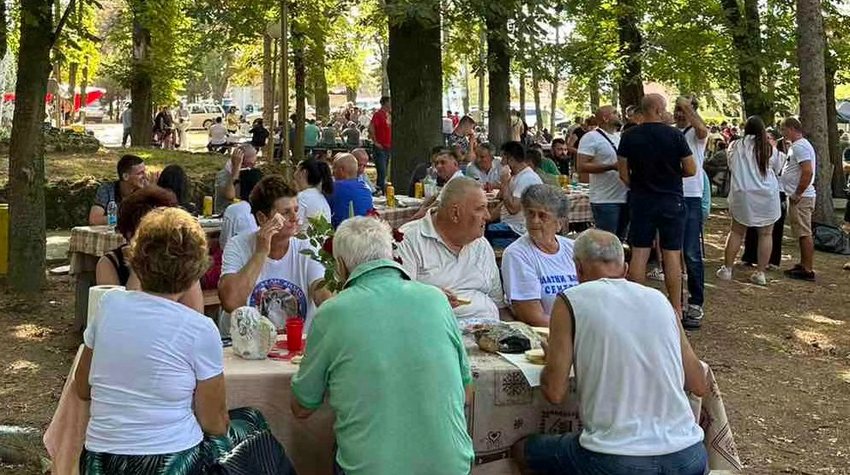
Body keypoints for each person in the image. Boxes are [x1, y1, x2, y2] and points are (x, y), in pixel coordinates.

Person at [77, 207, 285, 473]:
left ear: (138, 258)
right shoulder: (198, 329)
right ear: (194, 269)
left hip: (100, 460)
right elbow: (214, 422)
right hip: (170, 461)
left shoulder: (109, 305)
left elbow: (83, 388)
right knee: (253, 427)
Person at [513, 229, 708, 475]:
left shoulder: (571, 299)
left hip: (616, 459)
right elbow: (699, 384)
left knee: (523, 450)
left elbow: (554, 392)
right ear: (625, 269)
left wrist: (553, 359)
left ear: (578, 270)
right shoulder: (659, 300)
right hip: (688, 455)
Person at [291, 217, 474, 475]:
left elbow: (302, 406)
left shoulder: (333, 312)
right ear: (390, 254)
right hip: (450, 467)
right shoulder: (436, 299)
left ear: (341, 266)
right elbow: (467, 392)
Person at [617, 94, 697, 316]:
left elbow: (623, 174)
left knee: (639, 253)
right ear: (659, 110)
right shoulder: (675, 135)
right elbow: (691, 169)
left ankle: (636, 308)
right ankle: (676, 307)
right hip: (671, 199)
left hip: (642, 200)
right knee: (672, 253)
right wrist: (671, 175)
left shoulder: (629, 136)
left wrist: (641, 182)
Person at [219, 175, 331, 331]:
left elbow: (323, 295)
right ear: (262, 218)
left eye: (296, 210)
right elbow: (231, 302)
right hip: (243, 346)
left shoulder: (306, 247)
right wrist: (261, 252)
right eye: (286, 212)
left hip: (293, 349)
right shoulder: (238, 245)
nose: (295, 218)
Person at [398, 177, 507, 329]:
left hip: (490, 335)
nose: (488, 216)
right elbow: (397, 303)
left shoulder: (481, 245)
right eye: (480, 208)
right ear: (455, 213)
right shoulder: (408, 239)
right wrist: (429, 298)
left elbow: (499, 305)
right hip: (438, 336)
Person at [95, 185, 203, 314]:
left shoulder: (179, 262)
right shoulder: (109, 263)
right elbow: (118, 315)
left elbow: (195, 313)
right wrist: (138, 260)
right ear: (130, 234)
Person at [717, 116, 781, 287]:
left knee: (737, 231)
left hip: (743, 193)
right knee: (766, 234)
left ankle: (727, 269)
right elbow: (776, 168)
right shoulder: (768, 148)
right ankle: (760, 272)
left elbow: (731, 164)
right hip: (767, 194)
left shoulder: (735, 145)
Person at [501, 185, 578, 327]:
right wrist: (576, 331)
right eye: (530, 214)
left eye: (543, 216)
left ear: (559, 223)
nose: (535, 221)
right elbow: (533, 317)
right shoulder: (517, 254)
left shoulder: (573, 248)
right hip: (548, 334)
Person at [673, 96, 709, 328]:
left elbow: (703, 129)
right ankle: (675, 302)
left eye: (682, 111)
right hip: (670, 193)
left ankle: (696, 302)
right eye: (676, 110)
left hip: (691, 196)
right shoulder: (670, 132)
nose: (678, 114)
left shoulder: (696, 135)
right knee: (671, 251)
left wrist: (687, 104)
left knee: (691, 252)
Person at [577, 105, 629, 239]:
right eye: (614, 113)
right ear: (605, 118)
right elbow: (581, 166)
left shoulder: (618, 137)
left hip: (624, 196)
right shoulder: (591, 137)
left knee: (620, 240)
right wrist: (611, 166)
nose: (618, 115)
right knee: (606, 240)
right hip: (605, 199)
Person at [742, 130, 787, 268]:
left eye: (769, 138)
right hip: (757, 192)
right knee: (752, 225)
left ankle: (772, 260)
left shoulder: (779, 155)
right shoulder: (755, 153)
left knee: (773, 228)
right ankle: (750, 256)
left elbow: (780, 172)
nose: (766, 140)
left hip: (776, 192)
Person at [485, 141, 543, 249]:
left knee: (487, 230)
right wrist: (488, 217)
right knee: (481, 225)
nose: (501, 163)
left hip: (519, 230)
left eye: (503, 158)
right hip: (510, 224)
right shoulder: (516, 176)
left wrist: (505, 183)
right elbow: (503, 202)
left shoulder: (527, 178)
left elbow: (513, 208)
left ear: (510, 160)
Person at [779, 117, 817, 281]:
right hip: (800, 196)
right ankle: (803, 263)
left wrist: (797, 193)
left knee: (804, 232)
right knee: (801, 232)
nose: (782, 133)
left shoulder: (800, 147)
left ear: (792, 129)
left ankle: (807, 268)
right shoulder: (797, 146)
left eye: (784, 129)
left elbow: (807, 171)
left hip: (802, 197)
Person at [89, 154, 148, 225]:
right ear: (125, 176)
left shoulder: (145, 191)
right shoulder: (107, 189)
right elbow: (94, 220)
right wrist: (126, 219)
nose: (145, 176)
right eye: (140, 173)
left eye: (145, 172)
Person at [411, 148, 465, 220]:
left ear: (455, 164)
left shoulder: (457, 181)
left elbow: (436, 205)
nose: (438, 166)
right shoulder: (452, 180)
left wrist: (420, 212)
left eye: (443, 162)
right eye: (436, 163)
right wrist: (423, 207)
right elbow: (435, 196)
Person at [221, 168, 264, 250]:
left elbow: (224, 244)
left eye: (235, 183)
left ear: (240, 186)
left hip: (239, 257)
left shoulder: (234, 209)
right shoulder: (270, 206)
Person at [329, 153, 374, 228]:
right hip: (364, 230)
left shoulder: (335, 187)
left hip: (343, 232)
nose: (332, 172)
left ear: (341, 170)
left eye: (334, 168)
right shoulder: (365, 187)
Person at [215, 144, 257, 214]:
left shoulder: (250, 173)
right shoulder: (223, 175)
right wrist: (236, 168)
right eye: (248, 164)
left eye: (253, 164)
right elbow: (230, 196)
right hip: (225, 214)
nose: (249, 168)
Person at [295, 158, 333, 226]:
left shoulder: (302, 197)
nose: (294, 174)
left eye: (297, 170)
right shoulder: (321, 197)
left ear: (304, 172)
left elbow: (295, 225)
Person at [369, 96, 392, 193]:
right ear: (385, 103)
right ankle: (380, 190)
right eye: (389, 102)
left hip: (388, 147)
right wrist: (375, 142)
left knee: (385, 171)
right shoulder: (378, 115)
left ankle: (381, 189)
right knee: (382, 171)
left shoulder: (389, 115)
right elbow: (371, 128)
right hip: (380, 147)